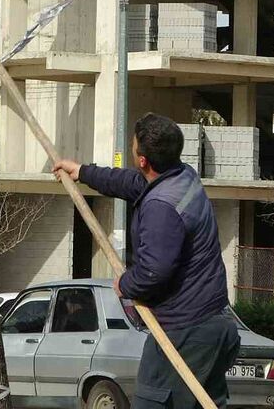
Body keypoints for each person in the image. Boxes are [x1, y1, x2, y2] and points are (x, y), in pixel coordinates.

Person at [53, 113, 240, 408]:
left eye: (134, 147)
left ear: (143, 160)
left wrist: (125, 284)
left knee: (152, 402)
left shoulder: (161, 207)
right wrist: (83, 172)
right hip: (215, 325)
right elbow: (130, 183)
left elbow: (154, 272)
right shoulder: (182, 177)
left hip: (185, 333)